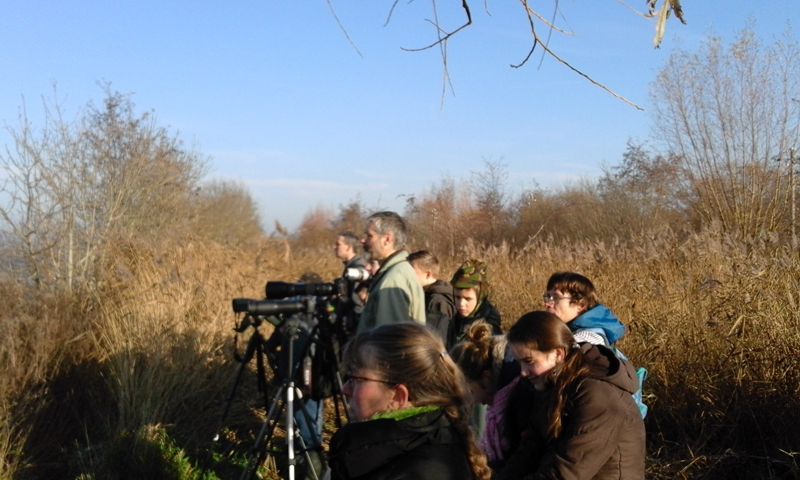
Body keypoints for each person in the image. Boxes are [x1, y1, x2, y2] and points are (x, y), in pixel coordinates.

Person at [328, 322, 491, 480]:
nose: (345, 389)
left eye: (356, 379)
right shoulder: (433, 441)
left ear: (398, 396)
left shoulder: (420, 469)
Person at [498, 311, 645, 480]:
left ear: (559, 354)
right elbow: (529, 451)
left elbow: (568, 470)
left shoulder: (597, 394)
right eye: (519, 362)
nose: (523, 372)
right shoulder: (550, 385)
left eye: (529, 361)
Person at [449, 321, 533, 473]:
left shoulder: (522, 394)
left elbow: (525, 455)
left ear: (486, 378)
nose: (477, 402)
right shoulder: (509, 391)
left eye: (471, 392)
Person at [358, 211, 426, 332]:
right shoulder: (398, 271)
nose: (363, 241)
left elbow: (389, 339)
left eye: (369, 236)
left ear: (387, 239)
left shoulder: (393, 279)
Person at [543, 271, 625, 347]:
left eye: (556, 298)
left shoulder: (587, 342)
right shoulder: (568, 334)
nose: (547, 304)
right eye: (548, 297)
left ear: (581, 305)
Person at [447, 259, 502, 350]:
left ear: (480, 298)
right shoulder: (456, 320)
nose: (461, 304)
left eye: (468, 299)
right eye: (457, 297)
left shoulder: (488, 328)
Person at [407, 250, 457, 341]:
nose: (408, 276)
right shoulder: (424, 294)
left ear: (428, 274)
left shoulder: (437, 302)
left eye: (412, 272)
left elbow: (435, 340)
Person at [334, 231, 368, 333]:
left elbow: (358, 302)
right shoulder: (351, 265)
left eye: (338, 245)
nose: (334, 247)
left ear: (349, 247)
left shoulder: (357, 268)